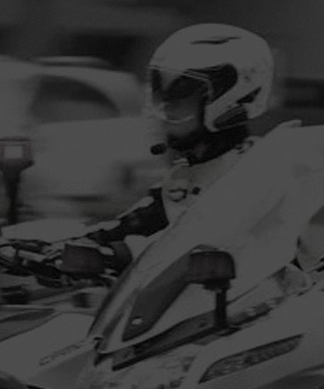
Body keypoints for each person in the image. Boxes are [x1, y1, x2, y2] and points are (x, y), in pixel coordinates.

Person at [66, 22, 280, 267]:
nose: (168, 106)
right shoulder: (184, 177)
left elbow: (202, 239)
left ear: (232, 98)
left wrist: (118, 253)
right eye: (161, 91)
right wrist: (63, 244)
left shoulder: (259, 172)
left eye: (183, 93)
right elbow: (128, 225)